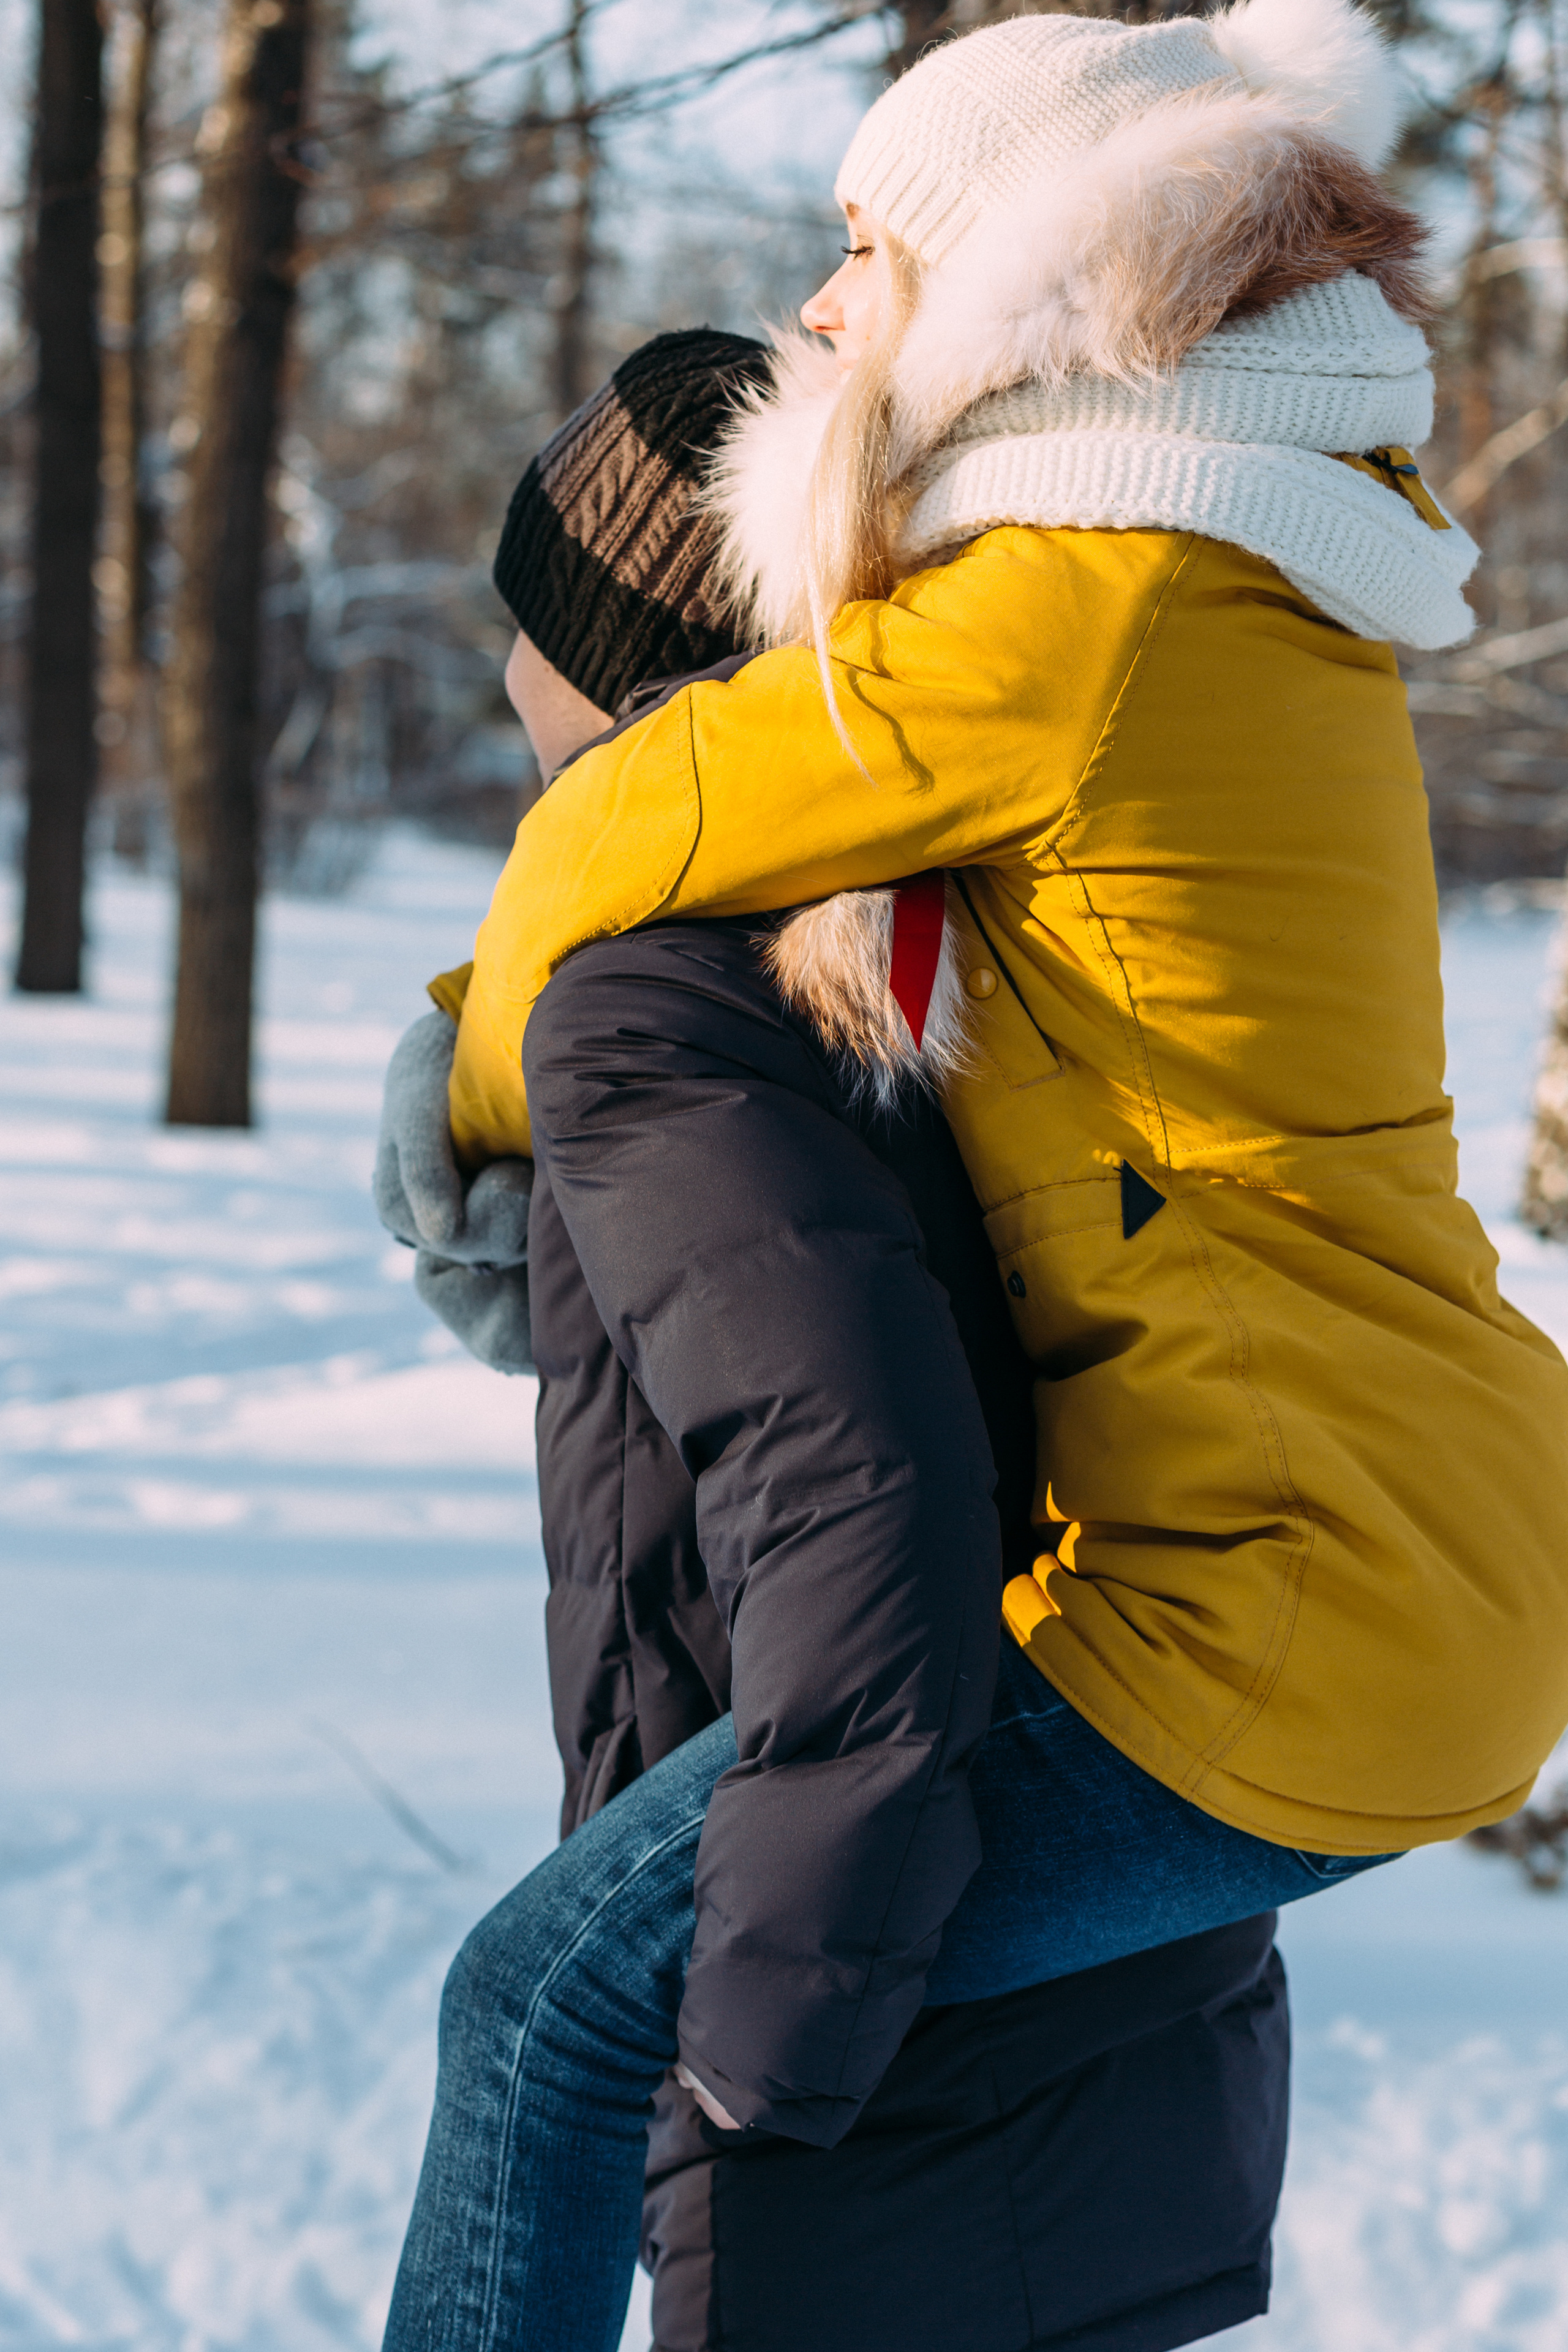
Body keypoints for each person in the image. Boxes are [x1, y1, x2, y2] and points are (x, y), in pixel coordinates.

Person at [388, 4, 1568, 2345]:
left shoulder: (1097, 600)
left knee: (547, 2006)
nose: (824, 320)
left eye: (863, 251)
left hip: (1290, 1603)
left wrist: (472, 1091)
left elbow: (645, 822)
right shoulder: (1232, 571)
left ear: (1031, 270)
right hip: (1399, 1554)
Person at [378, 329, 1292, 2352]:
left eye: (528, 592)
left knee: (518, 2014)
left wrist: (774, 2001)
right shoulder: (942, 922)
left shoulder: (660, 1001)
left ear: (604, 642)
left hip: (877, 2036)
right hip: (1114, 1993)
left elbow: (854, 1504)